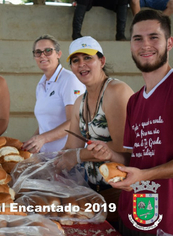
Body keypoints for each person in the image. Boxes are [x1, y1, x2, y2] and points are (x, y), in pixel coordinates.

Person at [88, 9, 173, 235]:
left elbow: (144, 170)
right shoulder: (134, 101)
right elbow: (133, 157)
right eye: (138, 39)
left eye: (153, 37)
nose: (145, 45)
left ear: (170, 43)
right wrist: (109, 154)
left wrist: (145, 176)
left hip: (168, 221)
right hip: (135, 214)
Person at [55, 36, 133, 227]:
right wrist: (45, 165)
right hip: (94, 192)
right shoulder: (79, 102)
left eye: (88, 58)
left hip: (122, 190)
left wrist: (79, 156)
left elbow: (122, 147)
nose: (82, 65)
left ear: (102, 61)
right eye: (75, 60)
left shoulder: (116, 91)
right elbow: (70, 148)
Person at [22, 34, 85, 154]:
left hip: (67, 157)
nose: (42, 55)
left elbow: (74, 122)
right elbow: (46, 124)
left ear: (58, 54)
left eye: (48, 51)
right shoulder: (41, 84)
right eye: (38, 52)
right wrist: (31, 142)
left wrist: (43, 138)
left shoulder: (69, 80)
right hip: (47, 158)